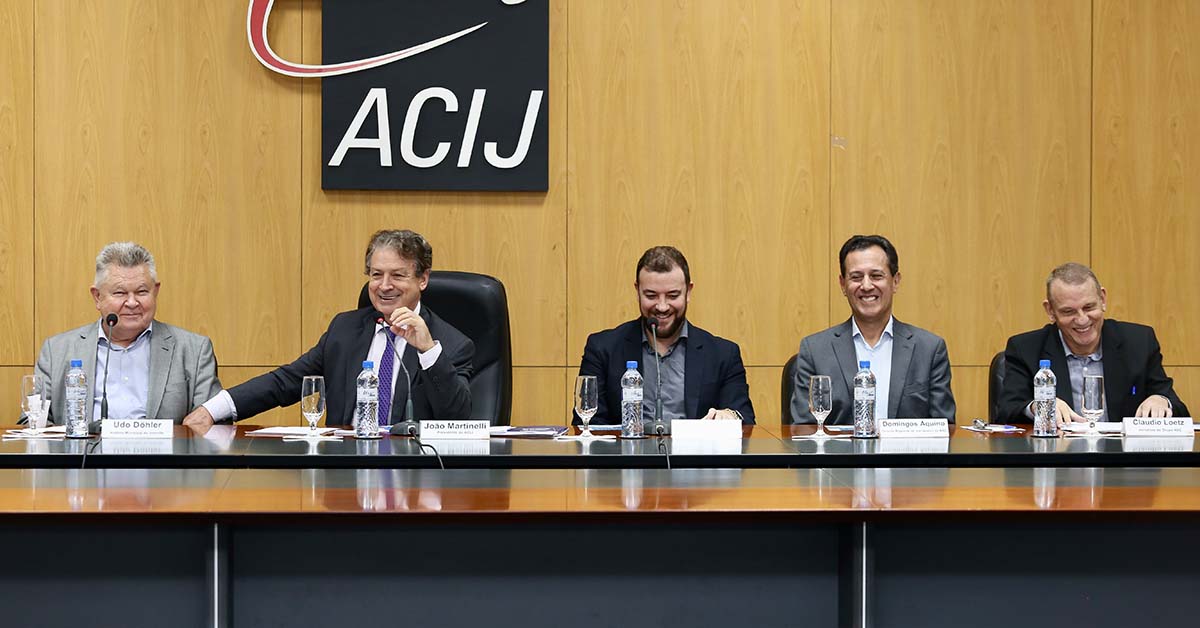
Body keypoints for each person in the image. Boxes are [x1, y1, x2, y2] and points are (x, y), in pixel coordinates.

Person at [183, 229, 473, 428]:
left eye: (397, 275)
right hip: (344, 472)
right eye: (376, 275)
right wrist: (212, 410)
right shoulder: (344, 330)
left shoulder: (450, 343)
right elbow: (284, 382)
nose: (384, 286)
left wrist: (427, 351)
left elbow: (458, 418)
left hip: (415, 479)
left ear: (423, 279)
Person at [35, 242, 222, 424]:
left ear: (155, 292)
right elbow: (33, 424)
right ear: (97, 297)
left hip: (163, 447)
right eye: (120, 293)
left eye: (142, 292)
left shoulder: (194, 350)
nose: (132, 303)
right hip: (86, 446)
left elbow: (213, 425)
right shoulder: (57, 351)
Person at [575, 246, 754, 425]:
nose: (662, 307)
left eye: (672, 295)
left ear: (688, 292)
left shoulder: (723, 354)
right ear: (637, 291)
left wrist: (730, 416)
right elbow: (586, 423)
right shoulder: (602, 349)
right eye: (651, 295)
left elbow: (744, 418)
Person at [790, 234, 956, 424]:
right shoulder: (816, 350)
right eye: (856, 277)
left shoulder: (929, 349)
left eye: (876, 276)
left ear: (895, 281)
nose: (866, 286)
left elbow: (944, 428)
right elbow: (803, 430)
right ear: (843, 285)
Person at [996, 262, 1188, 424]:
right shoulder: (1025, 348)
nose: (1082, 320)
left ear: (1102, 299)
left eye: (1089, 307)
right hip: (1057, 454)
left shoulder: (1139, 342)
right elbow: (1006, 412)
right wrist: (1037, 407)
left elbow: (1179, 408)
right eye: (1068, 311)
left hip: (1122, 455)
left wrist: (1162, 401)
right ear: (1050, 311)